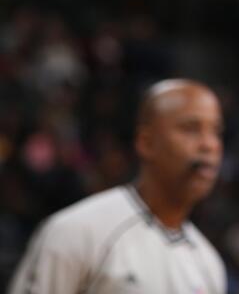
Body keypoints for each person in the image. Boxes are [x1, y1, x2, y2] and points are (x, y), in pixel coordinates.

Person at [8, 80, 226, 294]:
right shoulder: (76, 232)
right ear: (146, 142)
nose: (209, 144)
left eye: (216, 131)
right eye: (190, 128)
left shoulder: (209, 263)